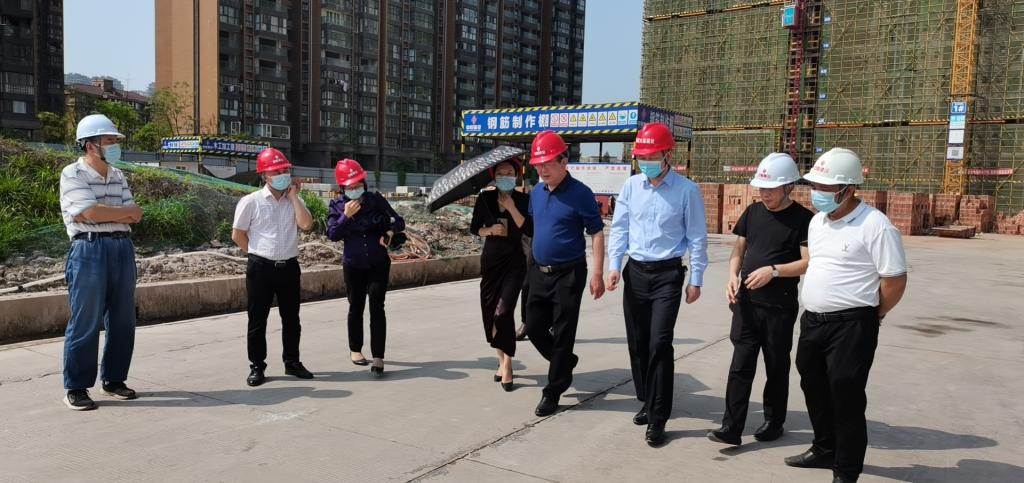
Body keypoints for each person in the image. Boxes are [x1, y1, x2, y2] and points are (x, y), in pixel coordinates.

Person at [783, 148, 908, 483]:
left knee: (846, 394)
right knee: (813, 385)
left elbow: (894, 281)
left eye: (825, 187)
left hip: (853, 324)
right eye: (815, 186)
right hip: (814, 321)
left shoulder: (875, 226)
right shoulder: (817, 222)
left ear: (848, 189)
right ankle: (824, 447)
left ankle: (846, 469)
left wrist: (873, 316)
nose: (817, 193)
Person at [606, 122, 708, 446]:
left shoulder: (687, 191)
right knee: (638, 343)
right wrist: (614, 265)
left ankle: (658, 417)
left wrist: (696, 279)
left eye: (651, 156)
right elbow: (620, 228)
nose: (646, 162)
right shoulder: (631, 187)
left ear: (667, 155)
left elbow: (697, 237)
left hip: (667, 275)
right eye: (641, 157)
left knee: (660, 343)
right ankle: (648, 400)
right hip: (635, 272)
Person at [706, 153, 813, 447]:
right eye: (761, 188)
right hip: (747, 305)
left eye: (771, 189)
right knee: (740, 364)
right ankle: (731, 427)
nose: (764, 194)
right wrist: (732, 276)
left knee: (776, 365)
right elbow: (739, 249)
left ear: (789, 187)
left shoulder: (804, 220)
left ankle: (774, 422)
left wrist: (774, 271)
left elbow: (808, 262)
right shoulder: (753, 212)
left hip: (779, 307)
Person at [58, 114, 144, 410]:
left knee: (123, 319)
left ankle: (114, 380)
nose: (114, 145)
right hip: (88, 249)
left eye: (115, 140)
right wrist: (114, 213)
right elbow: (90, 213)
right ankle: (77, 387)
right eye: (109, 140)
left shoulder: (118, 175)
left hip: (122, 247)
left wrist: (102, 212)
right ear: (90, 145)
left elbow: (135, 214)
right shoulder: (73, 173)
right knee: (86, 320)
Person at [524, 130, 606, 417]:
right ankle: (565, 362)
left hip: (569, 274)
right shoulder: (536, 192)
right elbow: (537, 227)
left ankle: (553, 390)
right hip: (539, 271)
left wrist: (597, 272)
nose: (542, 170)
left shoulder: (580, 194)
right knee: (533, 327)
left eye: (548, 163)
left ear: (563, 161)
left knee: (563, 331)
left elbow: (596, 233)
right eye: (538, 165)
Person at [232, 147, 315, 386]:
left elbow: (306, 224)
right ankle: (257, 365)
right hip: (261, 268)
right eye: (276, 171)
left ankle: (292, 362)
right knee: (258, 319)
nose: (282, 174)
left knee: (292, 319)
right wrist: (256, 254)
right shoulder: (251, 202)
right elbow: (238, 235)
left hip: (289, 267)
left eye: (284, 170)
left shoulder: (294, 201)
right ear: (264, 175)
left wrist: (294, 197)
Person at [326, 158, 405, 377]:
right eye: (350, 186)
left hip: (378, 263)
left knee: (377, 307)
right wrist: (346, 216)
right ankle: (355, 349)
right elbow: (332, 234)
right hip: (353, 264)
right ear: (342, 187)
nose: (355, 189)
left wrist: (389, 232)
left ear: (364, 183)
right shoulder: (337, 206)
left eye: (358, 184)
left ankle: (378, 356)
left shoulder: (375, 200)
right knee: (356, 306)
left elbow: (399, 221)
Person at [470, 159, 532, 391]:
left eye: (509, 172)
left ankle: (507, 364)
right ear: (494, 176)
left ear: (516, 175)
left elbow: (529, 229)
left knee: (503, 312)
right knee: (490, 312)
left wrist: (512, 207)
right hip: (491, 262)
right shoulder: (485, 199)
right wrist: (488, 230)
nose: (505, 175)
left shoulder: (524, 200)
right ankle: (501, 359)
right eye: (500, 172)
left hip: (515, 262)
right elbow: (474, 227)